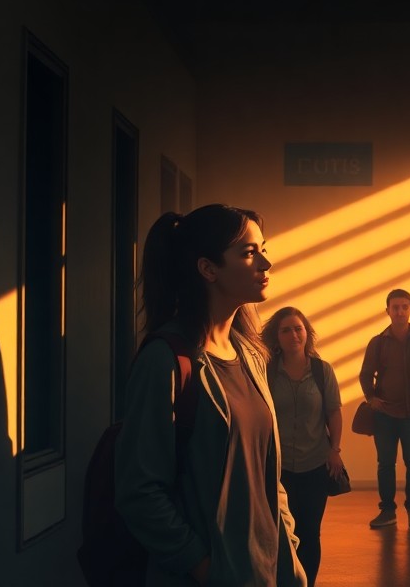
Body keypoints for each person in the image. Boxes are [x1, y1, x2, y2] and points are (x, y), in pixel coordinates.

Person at [114, 205, 308, 587]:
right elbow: (139, 491)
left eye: (263, 248)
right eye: (249, 253)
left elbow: (264, 472)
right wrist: (204, 568)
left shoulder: (251, 355)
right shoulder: (165, 360)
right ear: (208, 269)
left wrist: (290, 551)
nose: (266, 262)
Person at [261, 307, 345, 587]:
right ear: (277, 336)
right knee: (279, 532)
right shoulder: (267, 370)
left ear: (307, 333)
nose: (294, 334)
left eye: (298, 328)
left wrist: (335, 449)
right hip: (277, 467)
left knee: (310, 532)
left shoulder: (323, 371)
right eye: (286, 329)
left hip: (314, 464)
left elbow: (334, 412)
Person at [358, 288, 410, 529]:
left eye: (404, 307)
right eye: (396, 307)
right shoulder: (377, 342)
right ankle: (387, 511)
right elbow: (364, 374)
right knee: (385, 463)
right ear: (388, 311)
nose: (400, 311)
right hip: (385, 416)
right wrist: (371, 397)